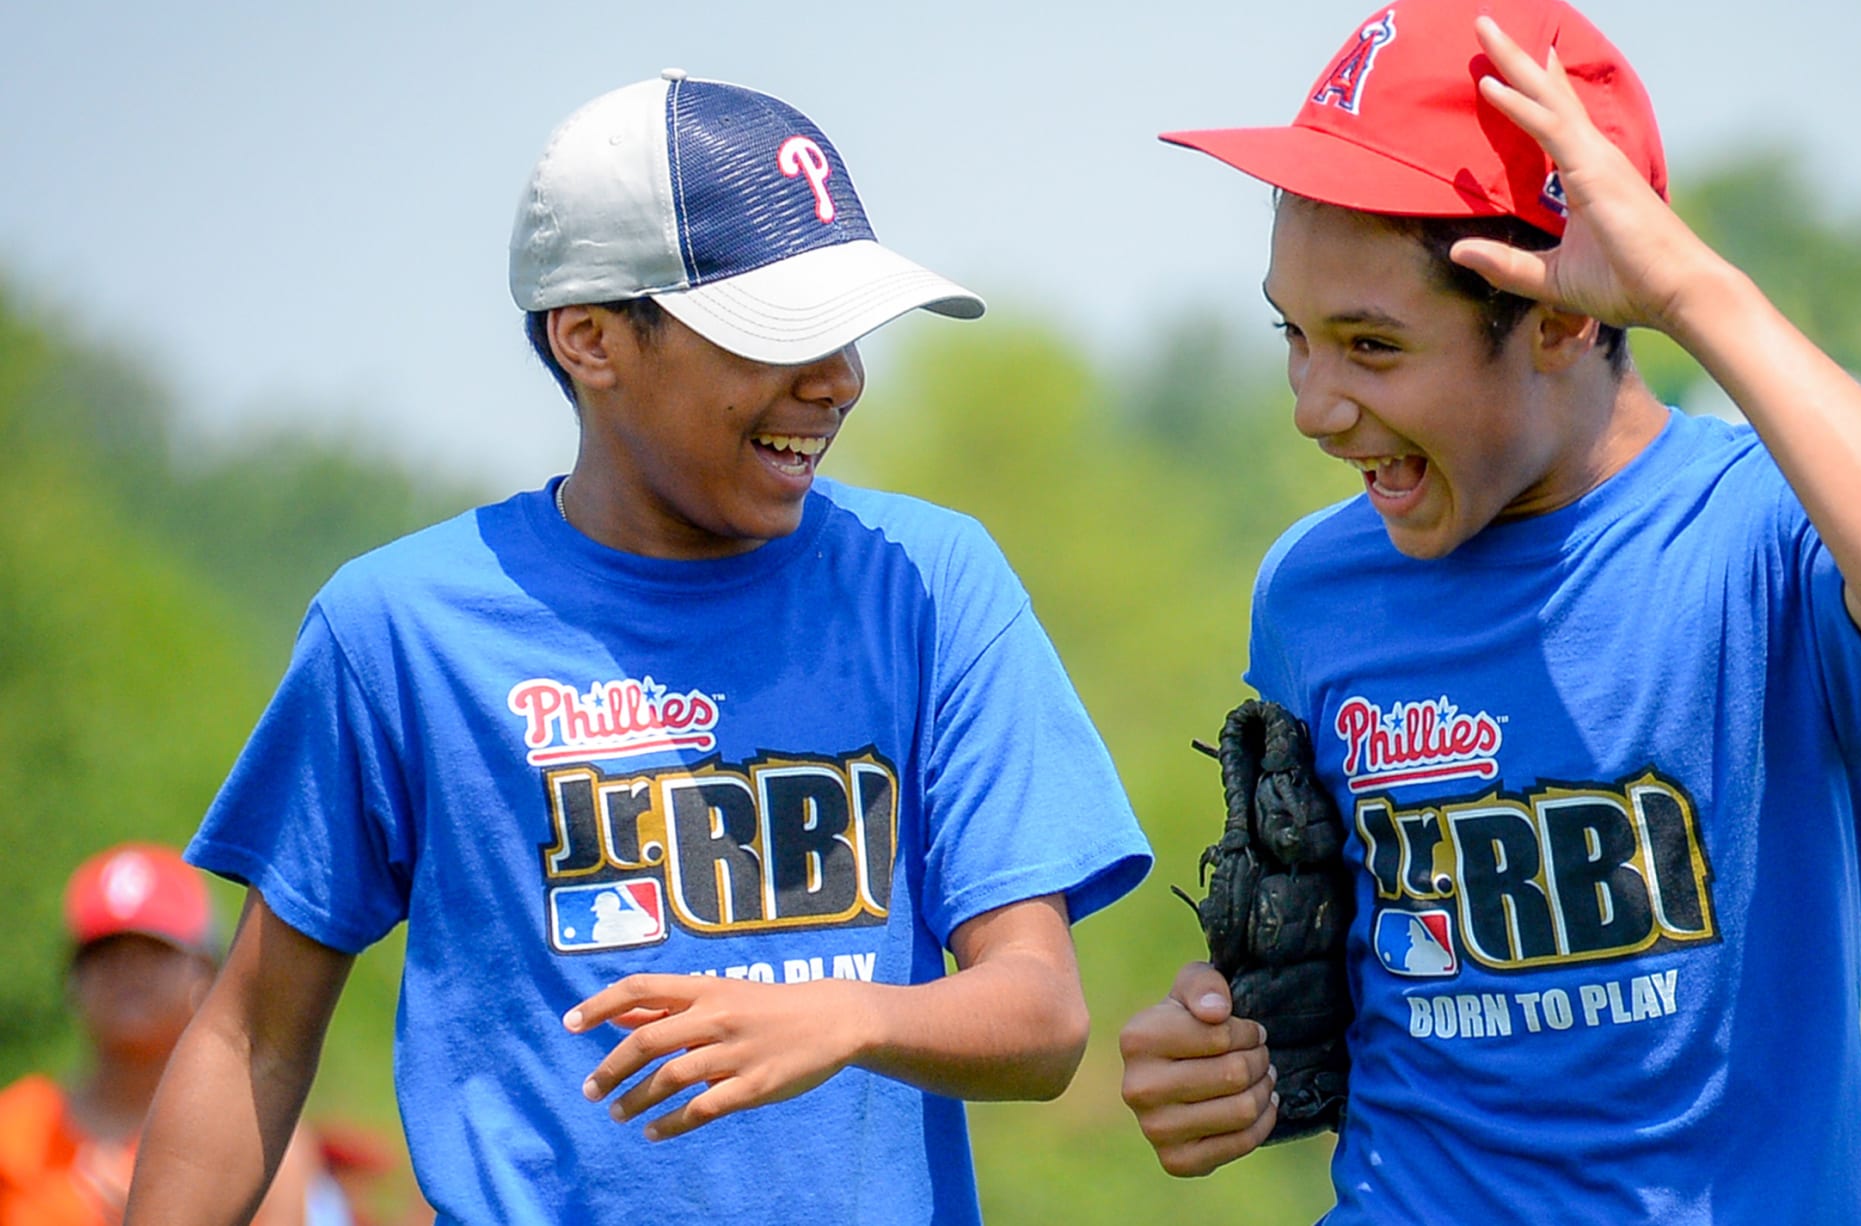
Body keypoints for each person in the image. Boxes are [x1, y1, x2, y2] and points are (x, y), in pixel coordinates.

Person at [124, 71, 1152, 1224]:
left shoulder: (928, 584)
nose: (840, 381)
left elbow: (1042, 1019)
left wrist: (851, 1014)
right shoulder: (400, 629)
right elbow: (252, 1043)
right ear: (591, 340)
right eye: (781, 335)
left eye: (852, 331)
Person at [1116, 0, 1861, 1221]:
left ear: (1561, 315)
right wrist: (1221, 1063)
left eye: (1372, 345)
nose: (1314, 404)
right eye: (1295, 334)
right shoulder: (1313, 590)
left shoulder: (1762, 539)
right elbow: (1351, 982)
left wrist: (1692, 292)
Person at [0, 844, 339, 1225]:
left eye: (154, 951)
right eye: (105, 951)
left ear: (208, 971)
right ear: (73, 978)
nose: (127, 970)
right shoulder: (15, 1129)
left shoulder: (261, 1142)